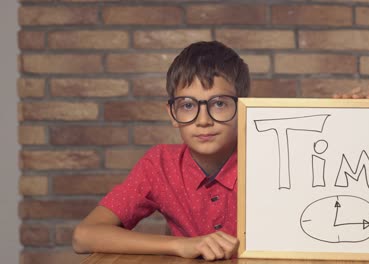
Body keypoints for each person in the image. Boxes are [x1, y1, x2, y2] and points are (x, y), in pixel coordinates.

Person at [72, 41, 250, 261]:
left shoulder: (268, 159)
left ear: (243, 107)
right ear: (172, 114)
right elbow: (84, 236)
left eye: (219, 104)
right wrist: (179, 245)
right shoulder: (160, 165)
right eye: (187, 105)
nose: (203, 120)